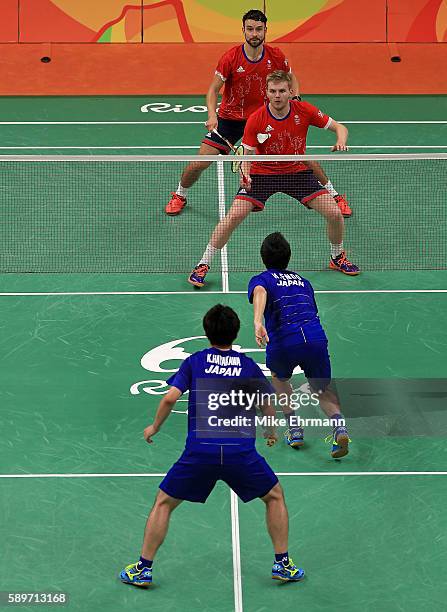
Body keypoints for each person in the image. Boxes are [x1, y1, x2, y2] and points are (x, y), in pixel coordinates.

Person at [119, 304, 305, 587]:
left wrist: (154, 426)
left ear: (206, 333)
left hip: (200, 451)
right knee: (274, 497)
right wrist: (270, 431)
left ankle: (143, 568)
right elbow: (268, 404)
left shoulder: (194, 361)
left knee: (164, 503)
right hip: (240, 452)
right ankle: (283, 564)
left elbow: (169, 398)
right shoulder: (248, 365)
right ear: (236, 333)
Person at [165, 9, 351, 217]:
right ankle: (179, 195)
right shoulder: (231, 58)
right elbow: (213, 90)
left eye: (259, 30)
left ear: (265, 31)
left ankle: (335, 196)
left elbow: (291, 78)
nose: (255, 34)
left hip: (266, 118)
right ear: (243, 30)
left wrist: (296, 100)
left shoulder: (276, 55)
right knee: (199, 163)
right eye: (250, 29)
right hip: (230, 120)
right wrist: (212, 115)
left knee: (303, 159)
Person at [188, 70, 359, 288]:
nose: (277, 95)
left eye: (281, 91)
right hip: (262, 174)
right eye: (272, 91)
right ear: (266, 93)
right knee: (231, 218)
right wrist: (245, 174)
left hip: (296, 172)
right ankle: (203, 264)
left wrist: (340, 140)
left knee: (334, 213)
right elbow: (247, 156)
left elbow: (339, 127)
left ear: (290, 92)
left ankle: (337, 257)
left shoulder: (304, 110)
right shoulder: (256, 119)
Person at [248, 232, 350, 457]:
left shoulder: (261, 280)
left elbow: (260, 292)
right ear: (288, 257)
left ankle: (294, 428)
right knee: (322, 389)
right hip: (315, 338)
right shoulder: (304, 282)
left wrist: (257, 321)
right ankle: (339, 427)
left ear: (263, 258)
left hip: (285, 341)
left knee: (280, 379)